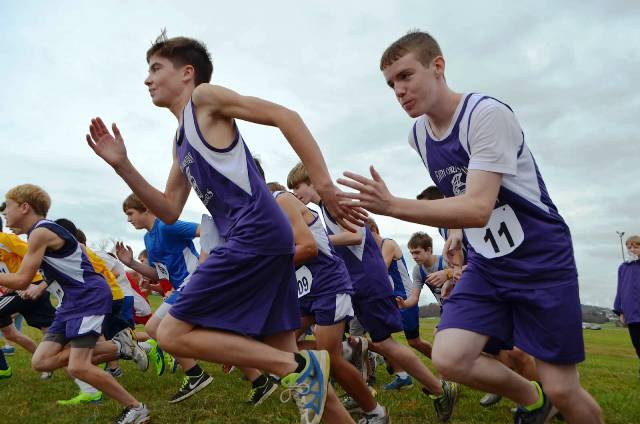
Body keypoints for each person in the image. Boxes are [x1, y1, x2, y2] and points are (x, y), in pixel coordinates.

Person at [86, 31, 360, 424]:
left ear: (187, 73)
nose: (147, 80)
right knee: (292, 368)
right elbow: (166, 209)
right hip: (259, 241)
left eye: (155, 68)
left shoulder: (204, 98)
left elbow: (286, 117)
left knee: (171, 333)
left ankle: (297, 367)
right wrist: (122, 165)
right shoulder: (180, 139)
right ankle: (302, 373)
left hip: (256, 234)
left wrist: (327, 187)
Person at [337, 30, 603, 424]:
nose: (399, 90)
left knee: (564, 387)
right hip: (488, 265)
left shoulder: (485, 114)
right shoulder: (419, 136)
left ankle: (552, 397)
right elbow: (461, 194)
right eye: (391, 83)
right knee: (450, 356)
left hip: (539, 257)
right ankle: (533, 399)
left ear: (438, 66)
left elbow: (478, 206)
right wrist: (459, 236)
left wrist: (392, 205)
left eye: (406, 75)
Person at [288, 162, 458, 422]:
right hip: (353, 281)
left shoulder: (337, 200)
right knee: (364, 342)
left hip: (367, 280)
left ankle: (439, 388)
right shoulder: (324, 207)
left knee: (384, 342)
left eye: (296, 187)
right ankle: (359, 384)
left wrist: (317, 240)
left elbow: (355, 236)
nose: (295, 194)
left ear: (310, 181)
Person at [0, 184, 150, 423]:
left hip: (87, 296)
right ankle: (119, 347)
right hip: (72, 302)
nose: (3, 213)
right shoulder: (36, 234)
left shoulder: (41, 231)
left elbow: (22, 279)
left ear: (24, 206)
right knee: (41, 362)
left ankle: (136, 408)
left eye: (6, 206)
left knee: (77, 367)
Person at [116, 194, 212, 403]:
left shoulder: (168, 225)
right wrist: (131, 262)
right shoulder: (148, 238)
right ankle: (260, 380)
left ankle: (196, 374)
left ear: (147, 209)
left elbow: (208, 231)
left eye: (130, 213)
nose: (129, 219)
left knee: (153, 328)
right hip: (183, 287)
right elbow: (160, 275)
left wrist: (204, 266)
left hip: (195, 282)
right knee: (219, 328)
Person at [367, 218, 435, 393]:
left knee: (414, 342)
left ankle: (445, 366)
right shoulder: (373, 249)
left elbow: (379, 270)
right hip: (390, 301)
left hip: (404, 298)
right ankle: (402, 375)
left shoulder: (388, 243)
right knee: (382, 340)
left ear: (373, 229)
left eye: (364, 232)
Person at [0, 210, 56, 378]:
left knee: (53, 331)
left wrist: (22, 280)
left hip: (30, 286)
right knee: (48, 331)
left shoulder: (5, 239)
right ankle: (47, 364)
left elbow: (36, 255)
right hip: (18, 289)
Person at [614, 235, 640, 371]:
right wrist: (620, 310)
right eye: (629, 247)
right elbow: (620, 289)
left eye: (636, 246)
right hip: (631, 313)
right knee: (637, 344)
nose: (633, 249)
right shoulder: (623, 267)